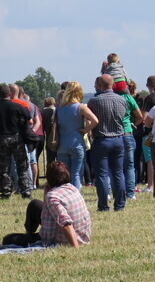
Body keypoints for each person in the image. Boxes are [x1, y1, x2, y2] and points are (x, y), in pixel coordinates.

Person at [87, 74, 129, 211]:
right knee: (118, 173)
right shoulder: (121, 100)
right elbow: (123, 117)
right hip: (118, 139)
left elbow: (90, 119)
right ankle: (120, 204)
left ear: (99, 85)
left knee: (102, 175)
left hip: (102, 139)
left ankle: (104, 205)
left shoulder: (94, 101)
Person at [54, 82, 98, 190]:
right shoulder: (81, 107)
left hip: (62, 145)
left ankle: (64, 195)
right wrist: (85, 130)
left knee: (64, 175)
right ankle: (76, 196)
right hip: (76, 144)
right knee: (76, 174)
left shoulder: (59, 108)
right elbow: (95, 120)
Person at [39, 160, 92, 247]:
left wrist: (75, 248)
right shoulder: (72, 188)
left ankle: (29, 233)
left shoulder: (53, 196)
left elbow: (65, 223)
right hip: (82, 236)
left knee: (10, 238)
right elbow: (46, 210)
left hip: (65, 240)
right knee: (35, 205)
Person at [0, 83, 32, 199]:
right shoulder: (17, 106)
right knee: (22, 166)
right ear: (9, 94)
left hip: (2, 139)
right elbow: (28, 117)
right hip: (16, 138)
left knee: (4, 168)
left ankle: (6, 192)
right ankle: (26, 190)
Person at [119, 81, 142, 198]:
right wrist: (133, 124)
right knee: (130, 165)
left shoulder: (113, 97)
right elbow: (140, 116)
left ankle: (119, 192)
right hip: (128, 131)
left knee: (117, 166)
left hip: (115, 134)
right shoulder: (128, 98)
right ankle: (130, 193)